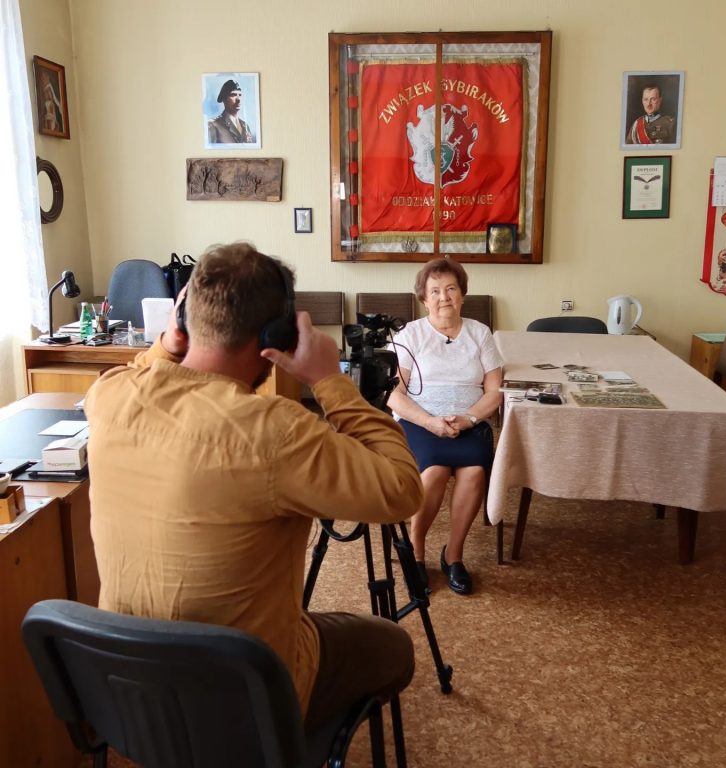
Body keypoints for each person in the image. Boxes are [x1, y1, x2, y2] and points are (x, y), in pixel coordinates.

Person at [84, 242, 423, 731]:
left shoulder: (108, 396)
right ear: (276, 336)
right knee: (391, 645)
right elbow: (402, 489)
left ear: (184, 319)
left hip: (129, 696)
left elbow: (142, 371)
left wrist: (169, 342)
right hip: (242, 706)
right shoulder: (277, 431)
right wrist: (329, 380)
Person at [387, 258, 503, 596]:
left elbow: (495, 391)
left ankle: (453, 556)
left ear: (462, 294)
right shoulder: (411, 335)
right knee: (434, 472)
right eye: (435, 291)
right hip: (420, 421)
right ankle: (416, 552)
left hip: (471, 421)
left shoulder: (480, 333)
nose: (444, 297)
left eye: (451, 289)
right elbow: (394, 394)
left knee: (474, 473)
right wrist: (429, 421)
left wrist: (469, 418)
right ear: (424, 298)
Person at [208, 79, 255, 143]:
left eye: (240, 95)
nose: (238, 99)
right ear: (224, 99)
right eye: (233, 95)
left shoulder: (245, 125)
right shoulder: (213, 125)